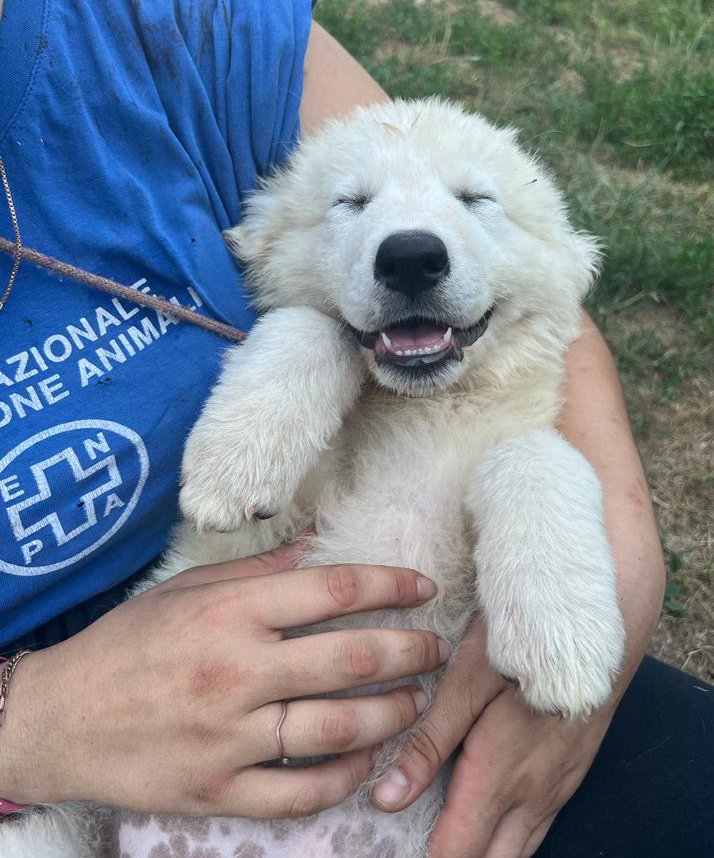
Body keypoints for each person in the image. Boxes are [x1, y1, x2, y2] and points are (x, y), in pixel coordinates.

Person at [0, 2, 711, 857]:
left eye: (475, 201)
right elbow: (241, 479)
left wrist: (609, 542)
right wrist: (30, 724)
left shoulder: (167, 22)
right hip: (75, 786)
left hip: (423, 783)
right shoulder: (302, 344)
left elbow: (550, 372)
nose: (407, 241)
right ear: (269, 244)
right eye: (353, 203)